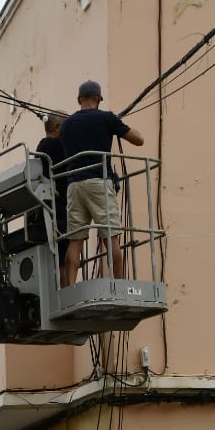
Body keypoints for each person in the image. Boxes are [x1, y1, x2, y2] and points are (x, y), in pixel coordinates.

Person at [58, 80, 144, 284]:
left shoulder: (66, 125)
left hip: (74, 185)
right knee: (111, 237)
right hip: (99, 182)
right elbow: (139, 140)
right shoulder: (106, 118)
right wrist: (116, 125)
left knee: (75, 241)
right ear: (99, 99)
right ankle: (121, 285)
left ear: (79, 100)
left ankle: (70, 286)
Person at [35, 114, 70, 274]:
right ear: (57, 127)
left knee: (60, 255)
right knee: (63, 255)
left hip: (50, 207)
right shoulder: (54, 146)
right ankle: (67, 290)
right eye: (67, 127)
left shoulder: (42, 148)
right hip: (59, 207)